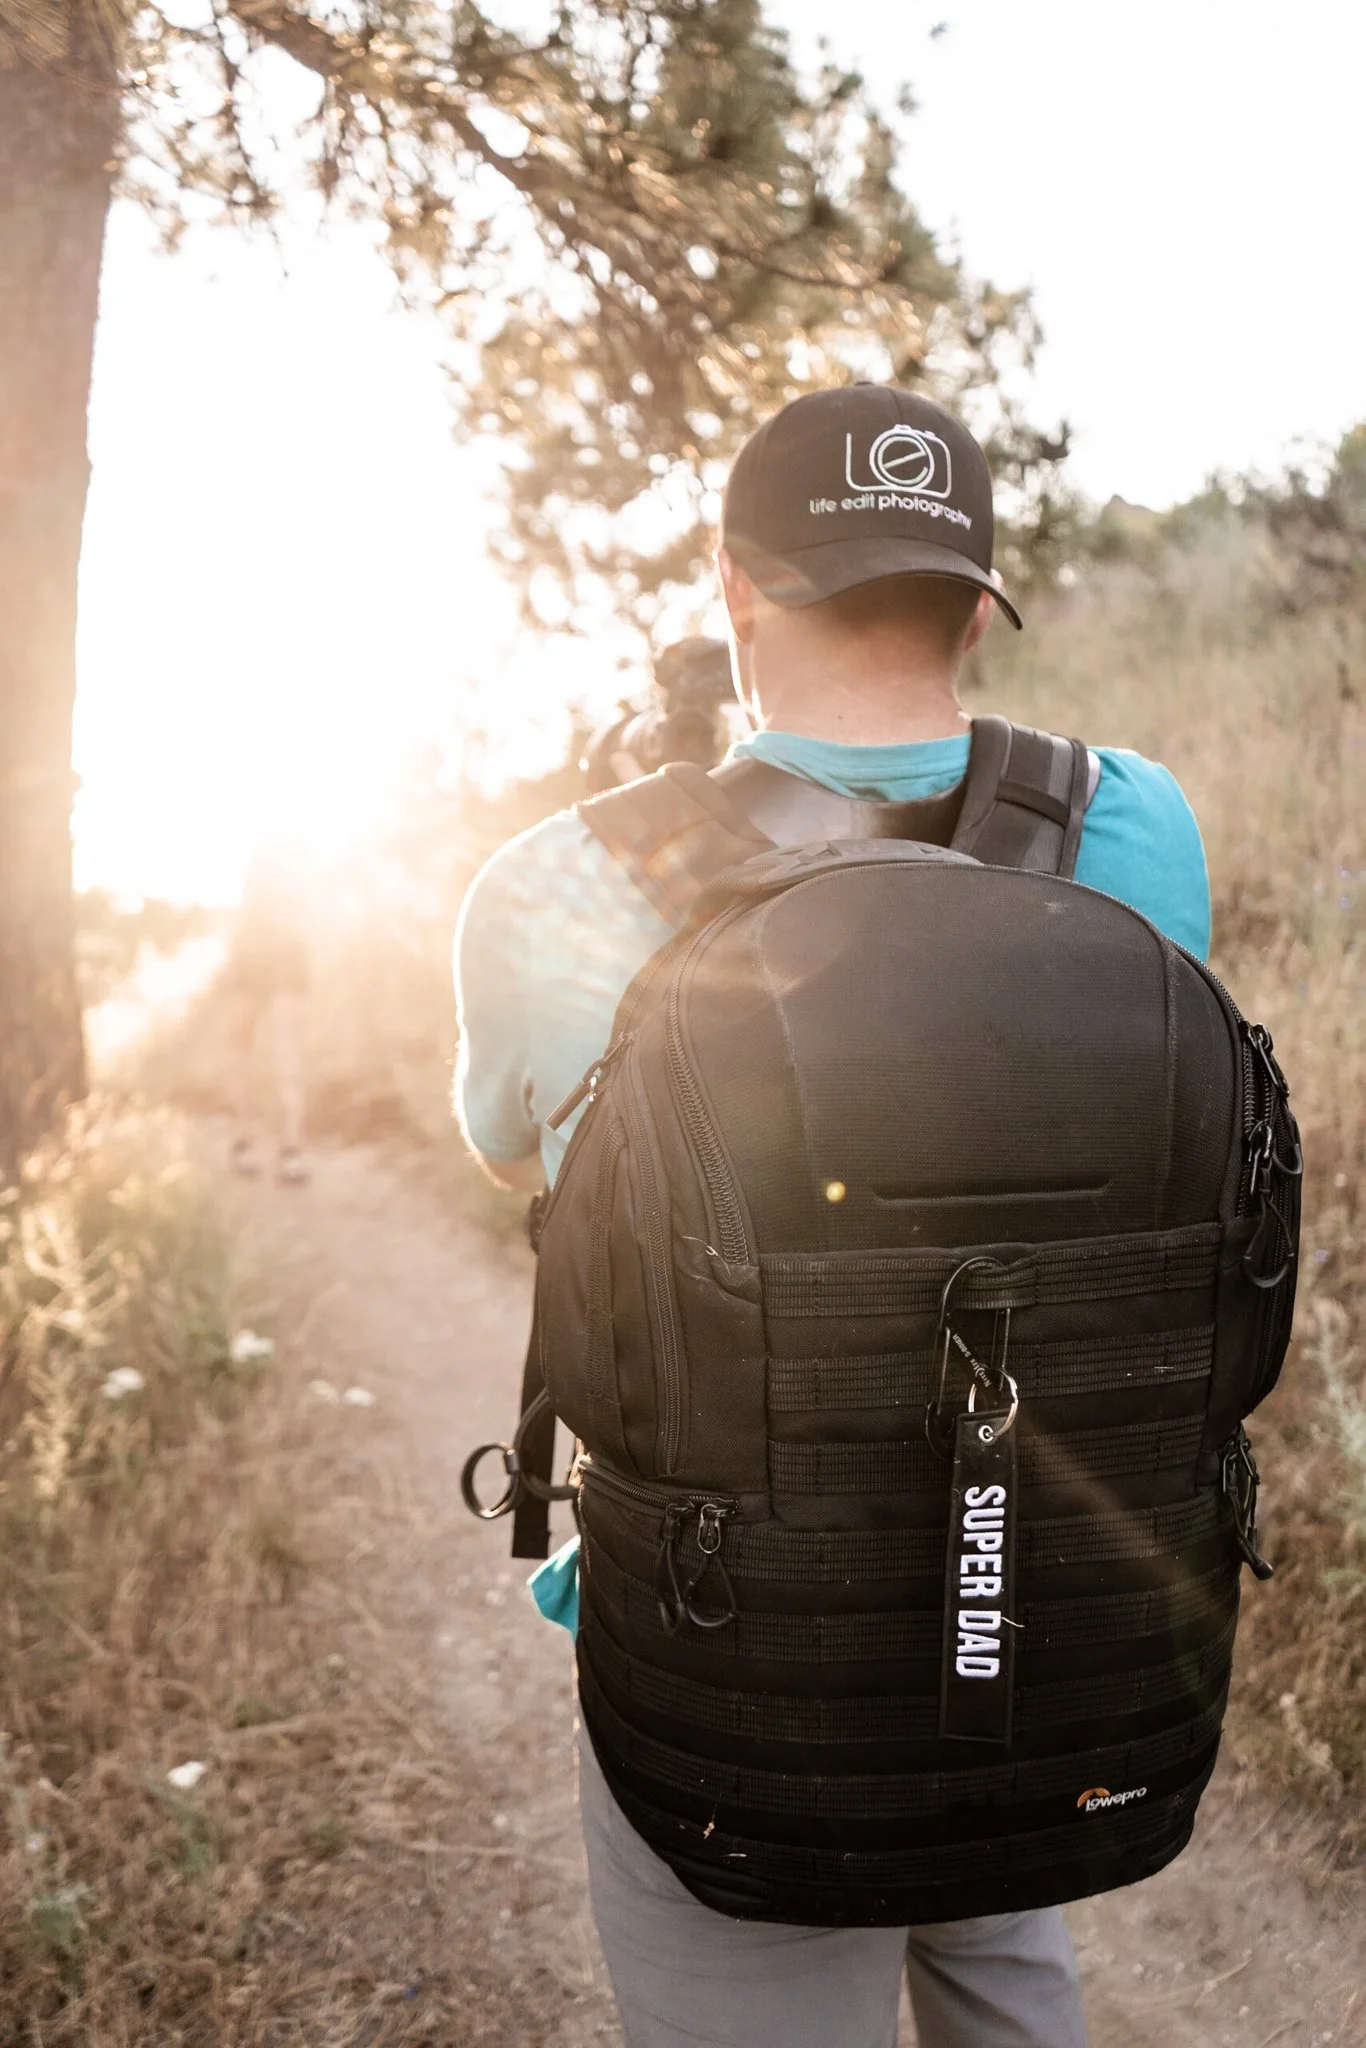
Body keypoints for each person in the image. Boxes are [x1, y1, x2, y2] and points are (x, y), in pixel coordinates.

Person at [454, 384, 1210, 2048]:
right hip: (1035, 1595)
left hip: (731, 1645)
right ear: (974, 605)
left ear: (734, 587)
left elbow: (525, 1164)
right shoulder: (1131, 824)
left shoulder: (556, 885)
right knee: (1003, 1948)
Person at [223, 836, 311, 1184]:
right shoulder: (283, 853)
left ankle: (281, 1146)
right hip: (259, 950)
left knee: (276, 1049)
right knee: (253, 1048)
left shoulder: (279, 855)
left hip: (275, 950)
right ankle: (265, 1144)